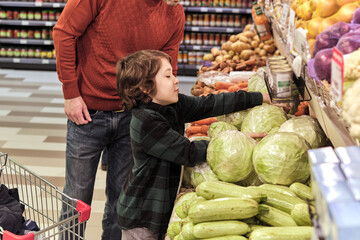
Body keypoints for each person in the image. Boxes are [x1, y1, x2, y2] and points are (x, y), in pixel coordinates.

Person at [52, 0, 185, 239]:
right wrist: (70, 93)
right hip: (87, 113)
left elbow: (167, 65)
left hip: (133, 116)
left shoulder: (174, 12)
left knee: (122, 202)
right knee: (76, 199)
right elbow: (64, 32)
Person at [115, 50, 271, 240]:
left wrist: (259, 97)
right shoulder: (145, 121)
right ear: (146, 88)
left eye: (173, 73)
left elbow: (208, 104)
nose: (176, 79)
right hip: (143, 214)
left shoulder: (170, 105)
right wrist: (237, 140)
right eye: (167, 75)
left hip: (160, 204)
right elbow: (188, 152)